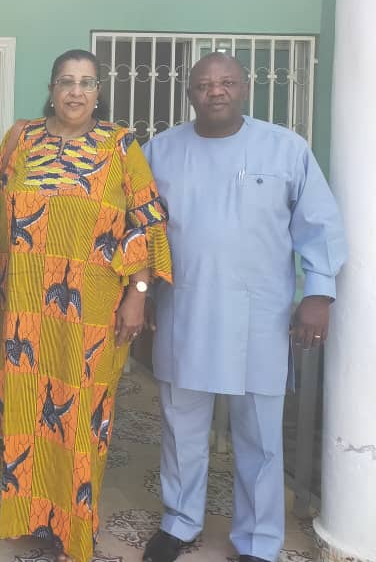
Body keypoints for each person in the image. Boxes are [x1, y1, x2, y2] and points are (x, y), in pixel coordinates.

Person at [141, 52, 346, 562]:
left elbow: (318, 224)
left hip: (261, 315)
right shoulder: (159, 151)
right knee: (182, 428)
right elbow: (137, 229)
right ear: (189, 93)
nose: (216, 91)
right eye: (204, 84)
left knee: (259, 435)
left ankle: (258, 539)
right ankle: (179, 521)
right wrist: (138, 293)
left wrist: (318, 292)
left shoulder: (286, 148)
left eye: (227, 82)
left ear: (245, 87)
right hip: (184, 311)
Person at [0, 49, 172, 562]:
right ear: (51, 89)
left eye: (87, 83)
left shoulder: (120, 145)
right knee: (25, 408)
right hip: (25, 304)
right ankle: (31, 517)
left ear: (98, 92)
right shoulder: (20, 138)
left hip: (92, 307)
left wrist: (137, 294)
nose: (76, 91)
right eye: (66, 81)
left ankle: (74, 528)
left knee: (83, 415)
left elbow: (145, 221)